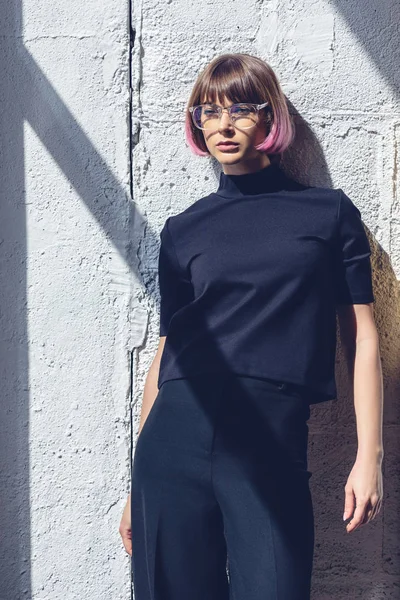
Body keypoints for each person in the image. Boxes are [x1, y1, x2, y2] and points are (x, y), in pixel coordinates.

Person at [119, 53, 384, 599]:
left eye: (241, 108)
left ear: (270, 116)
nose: (223, 125)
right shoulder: (183, 230)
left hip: (270, 433)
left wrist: (369, 456)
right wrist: (134, 484)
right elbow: (168, 351)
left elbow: (362, 339)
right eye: (207, 113)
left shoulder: (327, 214)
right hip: (174, 436)